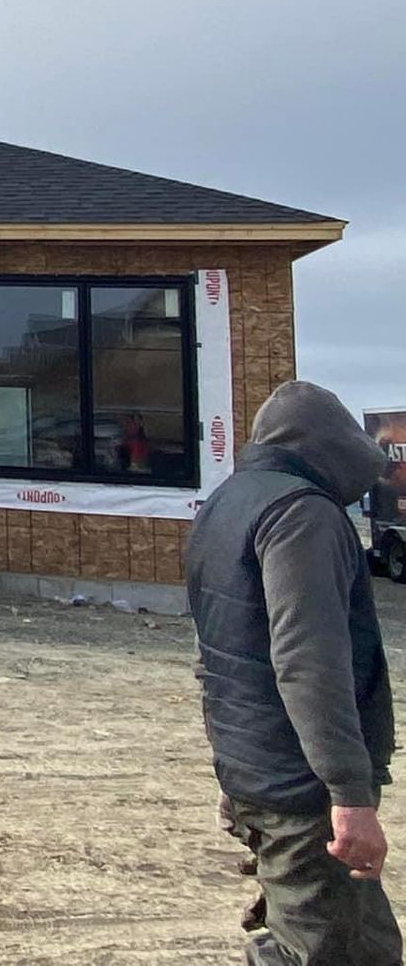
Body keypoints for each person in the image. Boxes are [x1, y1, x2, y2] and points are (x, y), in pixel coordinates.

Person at [186, 380, 397, 964]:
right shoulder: (302, 514)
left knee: (360, 945)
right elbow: (309, 660)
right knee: (335, 954)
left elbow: (214, 656)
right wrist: (349, 795)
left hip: (260, 772)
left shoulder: (227, 504)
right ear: (333, 450)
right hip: (303, 791)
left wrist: (234, 773)